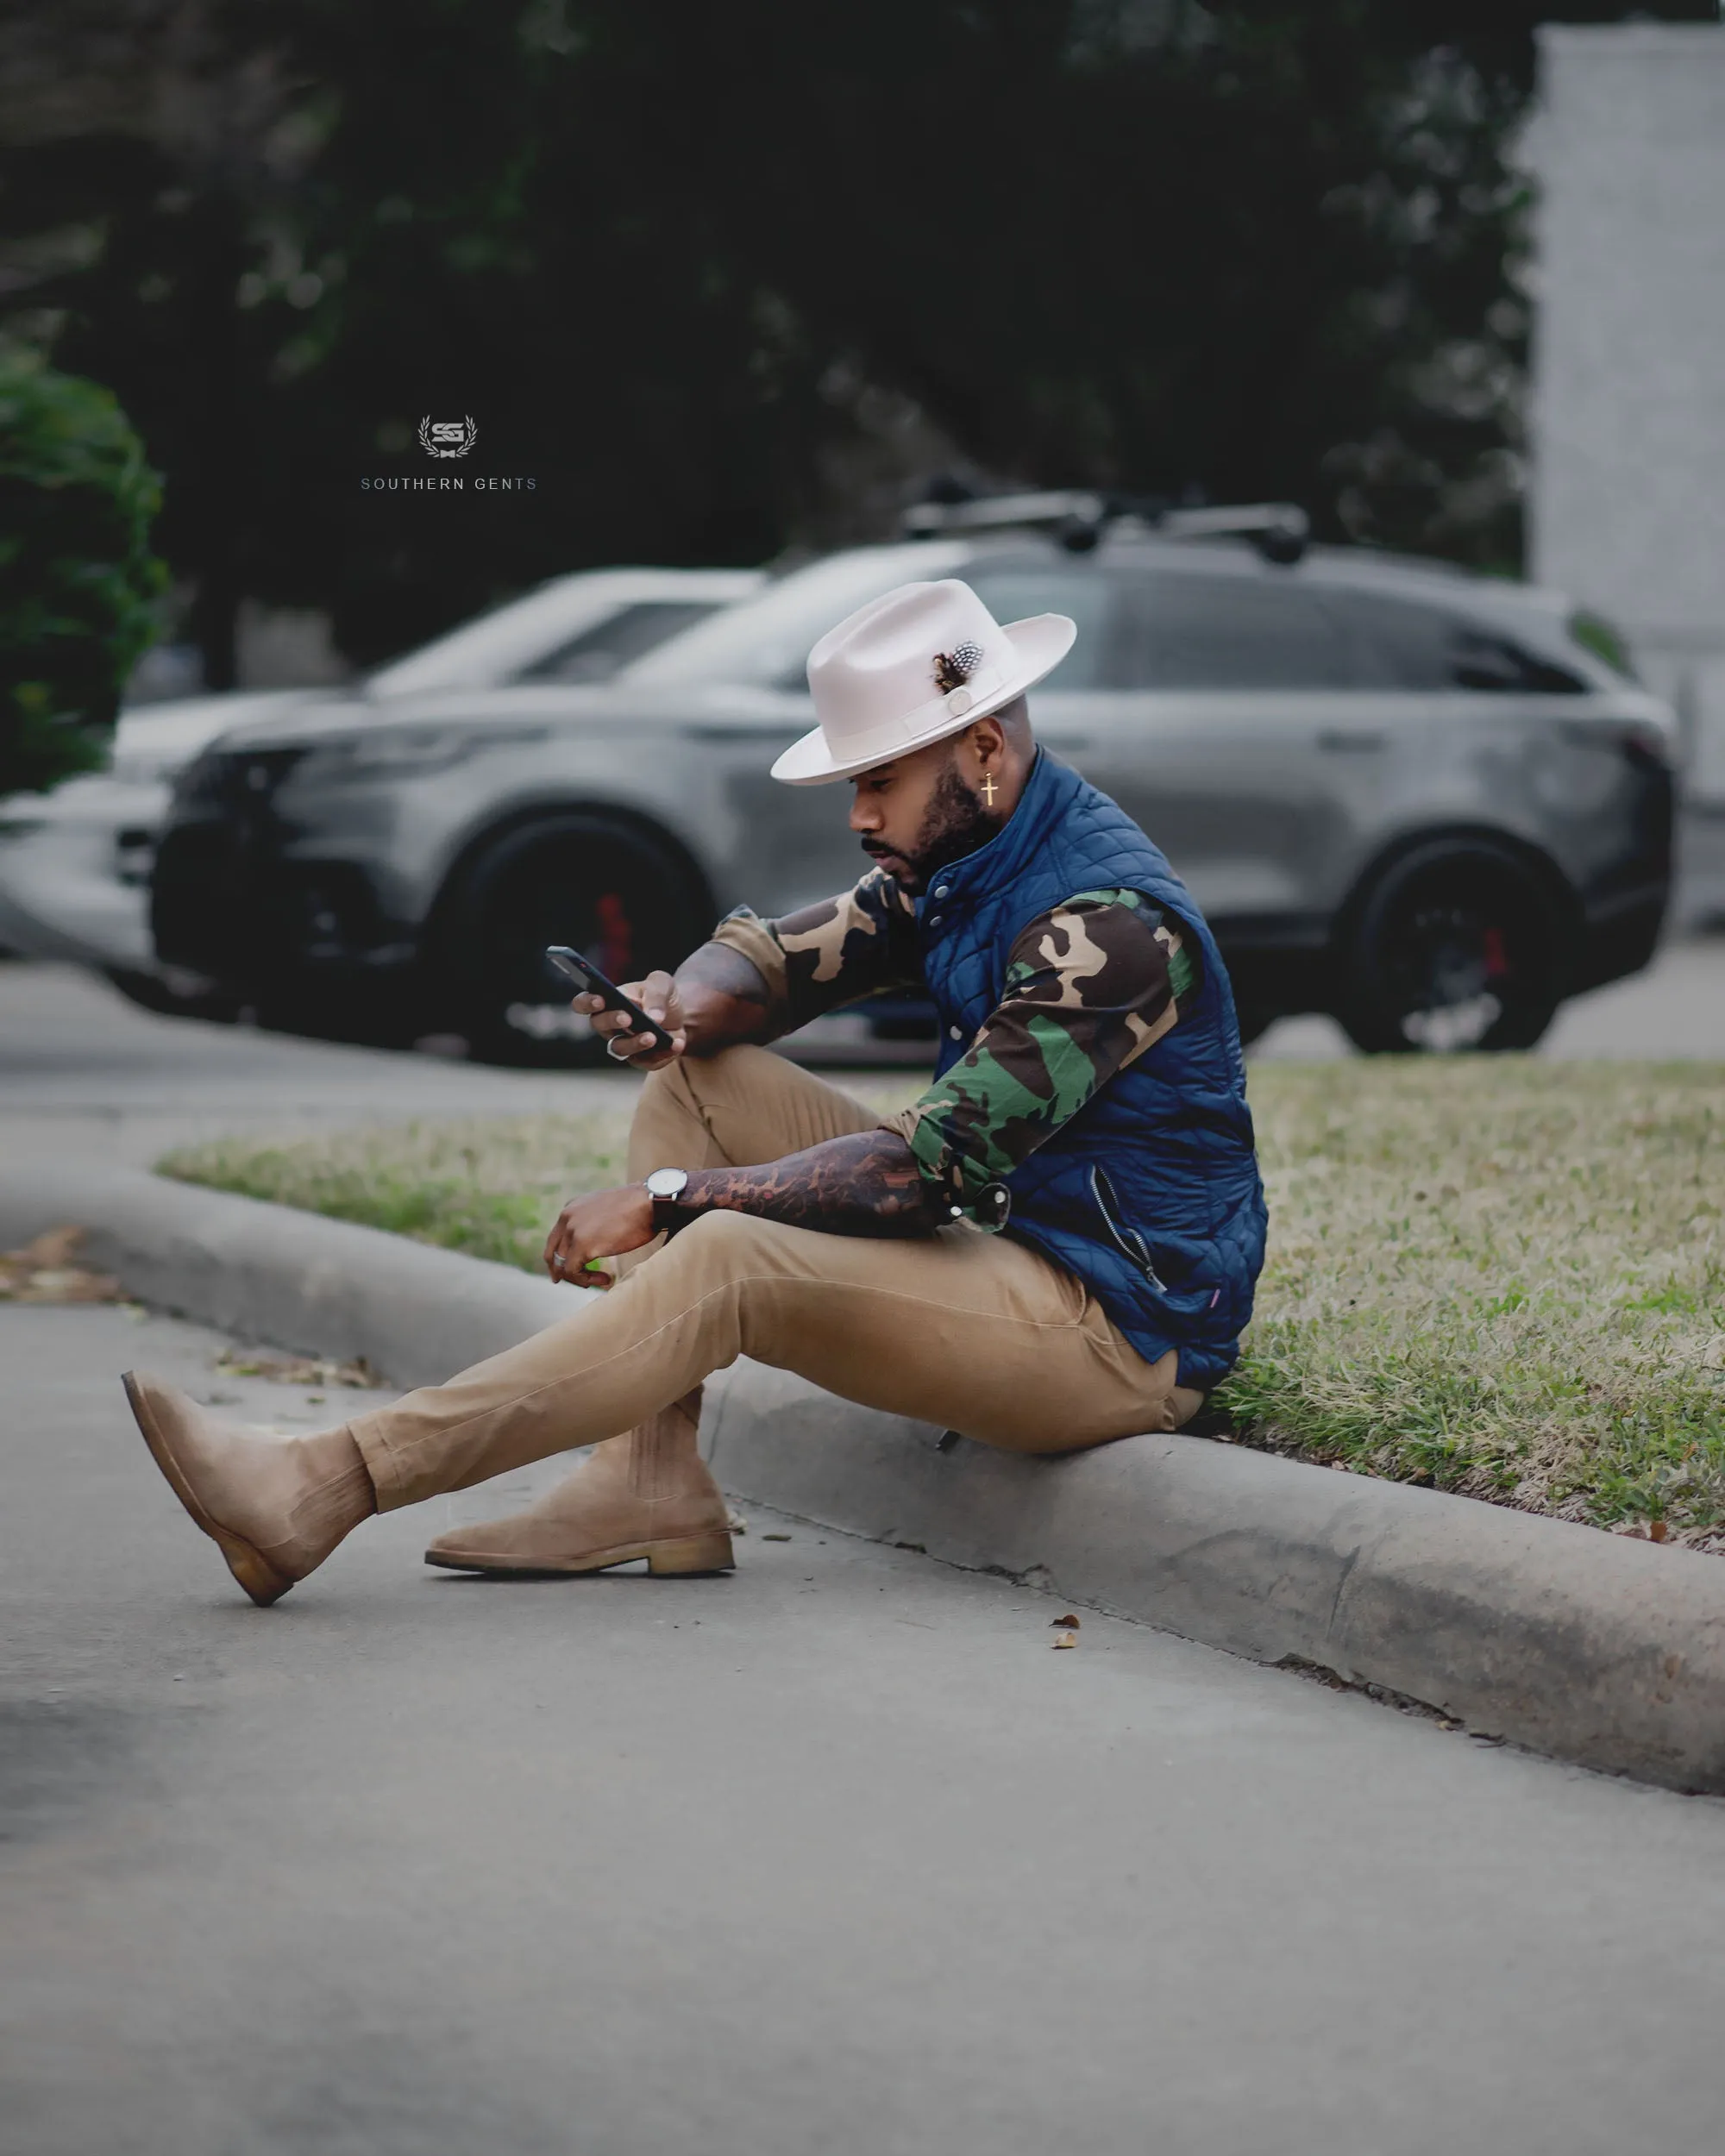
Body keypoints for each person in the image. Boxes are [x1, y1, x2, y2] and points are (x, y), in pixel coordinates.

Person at [123, 578, 1268, 1606]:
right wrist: (679, 1002)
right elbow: (773, 963)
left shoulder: (1109, 932)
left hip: (1118, 1334)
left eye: (876, 780)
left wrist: (673, 1199)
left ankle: (325, 1482)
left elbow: (915, 1178)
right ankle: (645, 1482)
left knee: (725, 1249)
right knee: (698, 1080)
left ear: (980, 752)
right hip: (1017, 1246)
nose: (859, 816)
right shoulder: (964, 860)